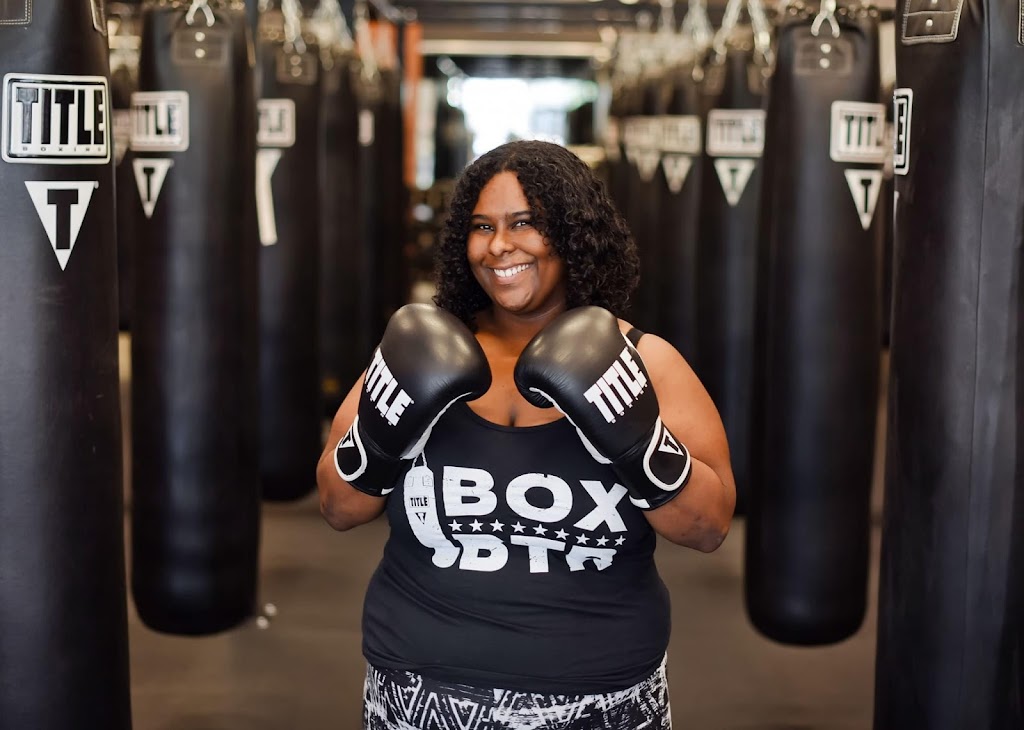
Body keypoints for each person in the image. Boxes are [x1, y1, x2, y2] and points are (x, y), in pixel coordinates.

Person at [316, 139, 736, 730]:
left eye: (525, 223)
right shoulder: (422, 356)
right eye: (482, 226)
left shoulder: (645, 362)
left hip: (600, 700)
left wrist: (635, 439)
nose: (498, 246)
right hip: (417, 690)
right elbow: (338, 506)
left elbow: (709, 527)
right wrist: (384, 431)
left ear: (571, 233)